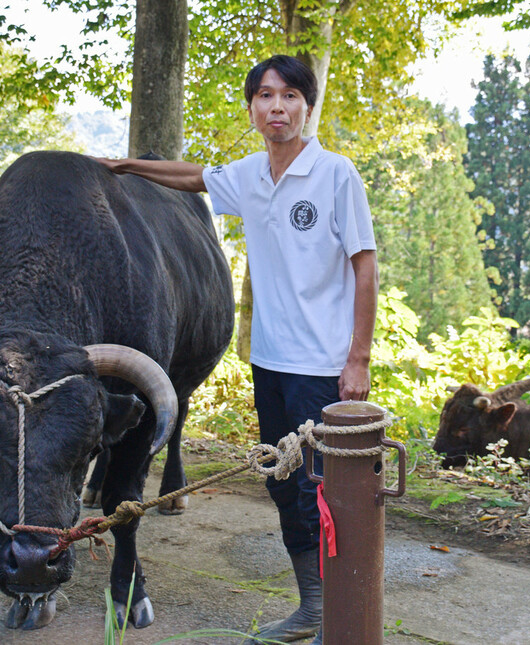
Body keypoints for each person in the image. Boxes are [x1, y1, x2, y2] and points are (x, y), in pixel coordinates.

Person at [95, 54, 378, 645]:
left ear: (307, 105)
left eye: (291, 96)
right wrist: (126, 167)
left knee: (321, 491)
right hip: (269, 360)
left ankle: (340, 616)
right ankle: (313, 607)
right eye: (266, 97)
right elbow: (196, 177)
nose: (278, 107)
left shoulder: (335, 174)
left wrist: (358, 359)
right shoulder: (252, 175)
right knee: (281, 482)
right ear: (252, 108)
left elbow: (365, 266)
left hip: (323, 365)